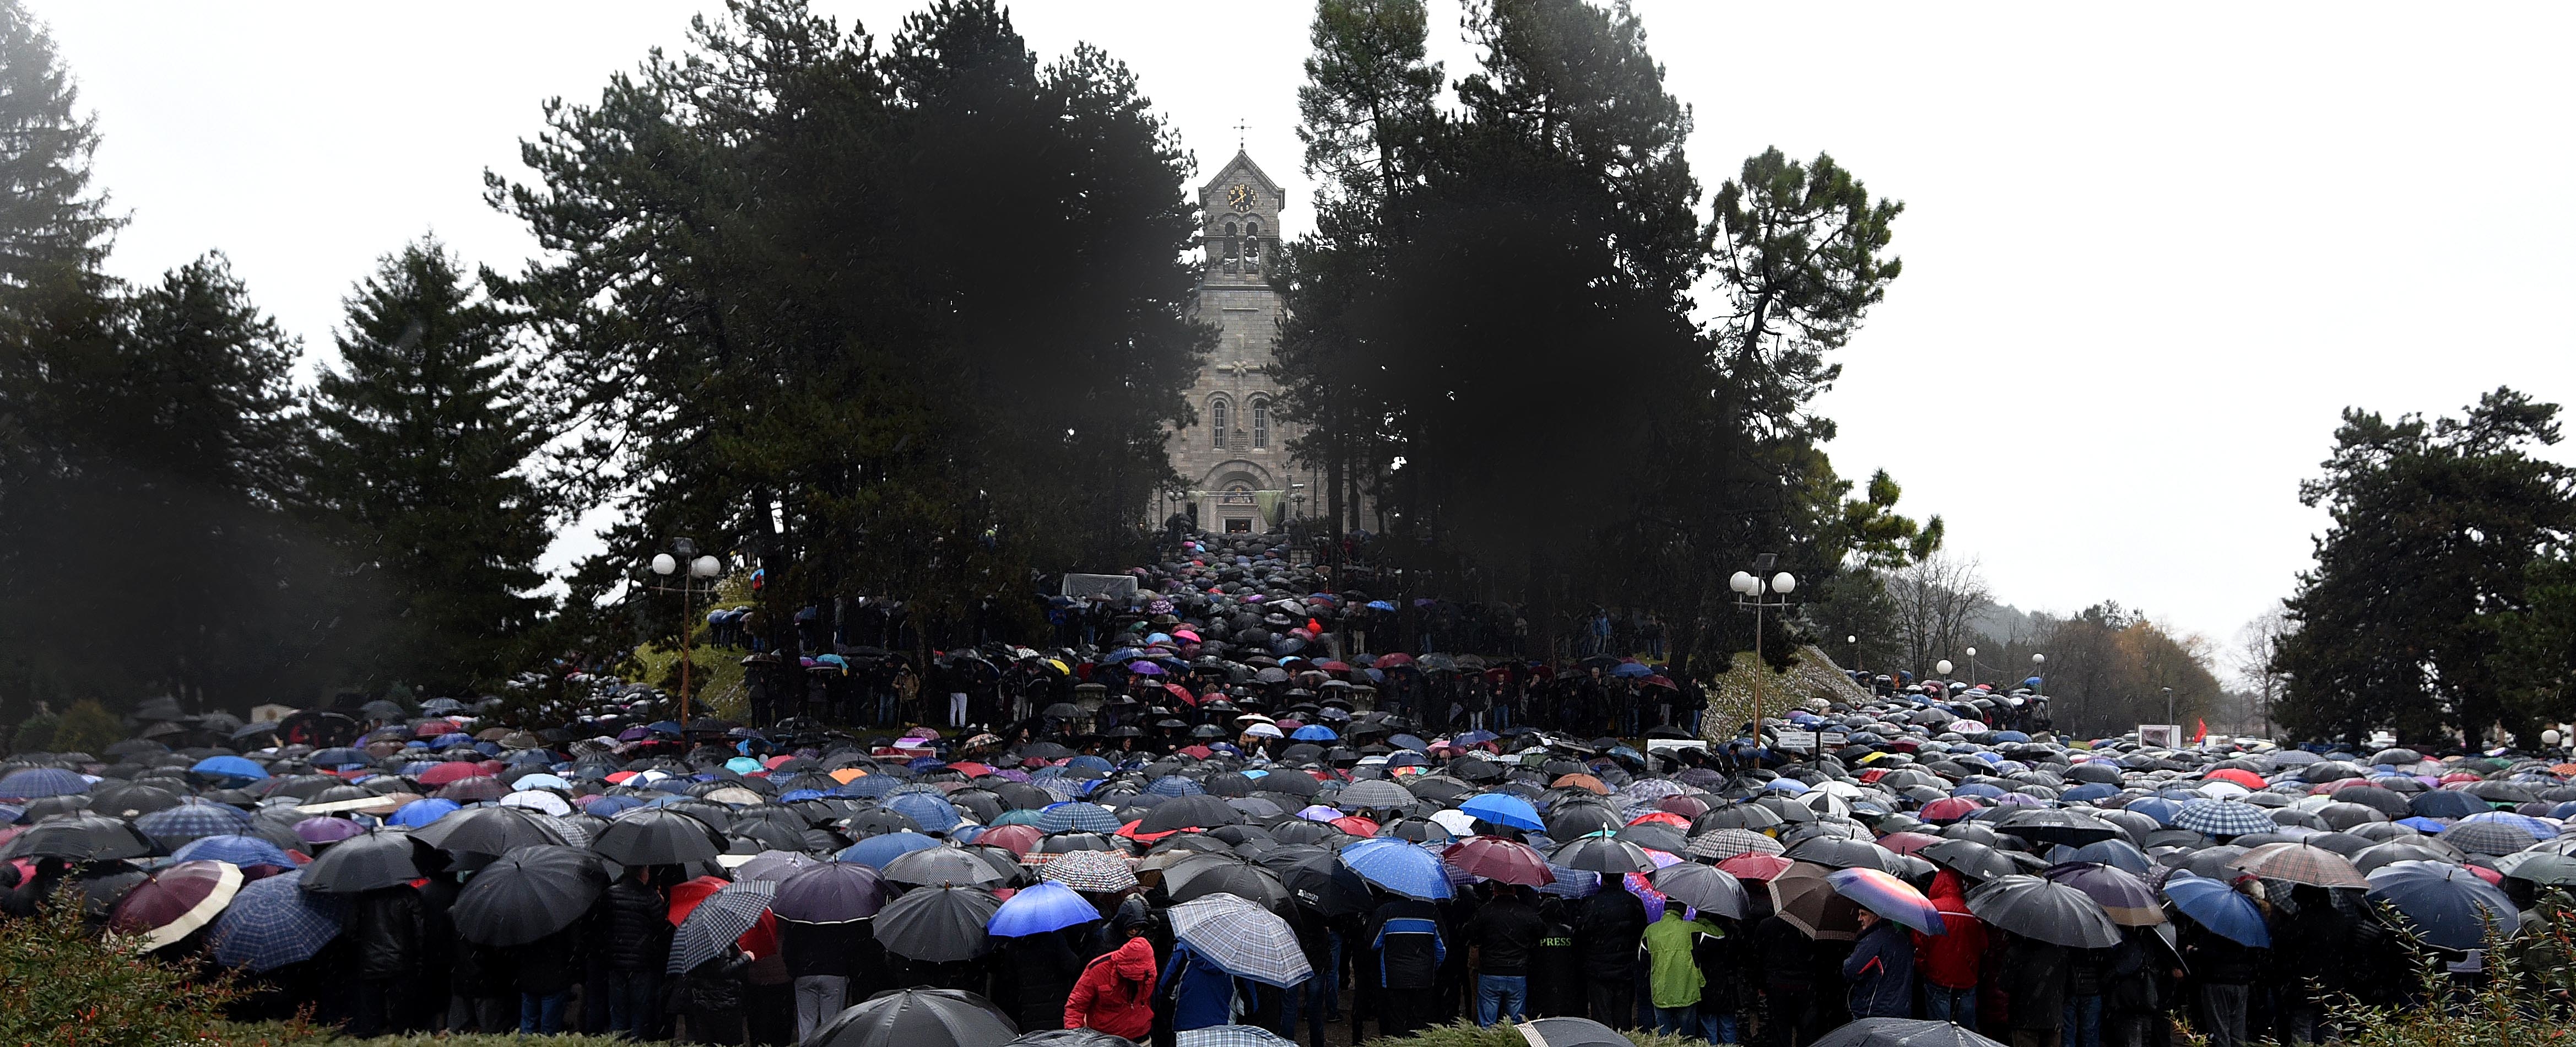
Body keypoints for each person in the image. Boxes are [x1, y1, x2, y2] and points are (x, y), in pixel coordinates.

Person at [596, 867, 672, 1039]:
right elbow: (660, 930)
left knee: (618, 1015)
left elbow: (602, 925)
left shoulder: (610, 894)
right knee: (639, 1015)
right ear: (643, 874)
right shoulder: (650, 897)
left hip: (616, 964)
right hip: (642, 965)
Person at [1363, 890, 1448, 1037]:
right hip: (1424, 978)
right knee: (1420, 1021)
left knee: (1397, 1020)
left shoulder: (1386, 911)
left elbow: (1374, 944)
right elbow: (1442, 948)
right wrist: (1431, 967)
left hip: (1394, 977)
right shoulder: (1432, 912)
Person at [1464, 883, 1546, 1026]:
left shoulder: (1485, 912)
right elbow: (1541, 931)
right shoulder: (1526, 913)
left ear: (1494, 890)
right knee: (1517, 1024)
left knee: (1487, 1024)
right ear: (1514, 890)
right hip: (1517, 972)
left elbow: (1469, 933)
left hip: (1490, 971)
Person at [1915, 868, 1987, 1027]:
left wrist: (1923, 968)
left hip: (1937, 977)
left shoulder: (1930, 910)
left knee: (1939, 1029)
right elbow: (1983, 945)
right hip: (1966, 979)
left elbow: (1919, 944)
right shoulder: (1973, 912)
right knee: (1965, 1030)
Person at [1574, 879, 1648, 1027]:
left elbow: (1582, 934)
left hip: (1598, 972)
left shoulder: (1593, 903)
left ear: (1603, 879)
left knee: (1601, 1020)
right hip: (1626, 971)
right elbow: (1642, 932)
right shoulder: (1634, 903)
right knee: (1623, 1019)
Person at [1067, 926, 1159, 1040]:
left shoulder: (1148, 970)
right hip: (1105, 1039)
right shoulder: (1097, 970)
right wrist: (1075, 1038)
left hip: (1141, 1036)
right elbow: (1076, 1006)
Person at [1643, 903, 1711, 1036]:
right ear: (1684, 911)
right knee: (1687, 1037)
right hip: (1687, 990)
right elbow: (1719, 935)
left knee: (1664, 1038)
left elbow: (1643, 960)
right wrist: (1704, 920)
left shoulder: (1650, 931)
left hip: (1661, 991)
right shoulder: (1692, 928)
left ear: (1665, 908)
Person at [1999, 932, 2072, 1047]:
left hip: (2023, 1019)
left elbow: (2004, 985)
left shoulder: (2015, 953)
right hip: (2052, 1018)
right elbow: (2072, 988)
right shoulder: (2061, 954)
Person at [1840, 908, 1914, 1021]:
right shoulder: (1904, 939)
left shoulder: (1874, 941)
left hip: (1873, 1012)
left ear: (1876, 916)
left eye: (1863, 914)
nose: (1859, 919)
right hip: (1900, 1012)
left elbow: (1851, 970)